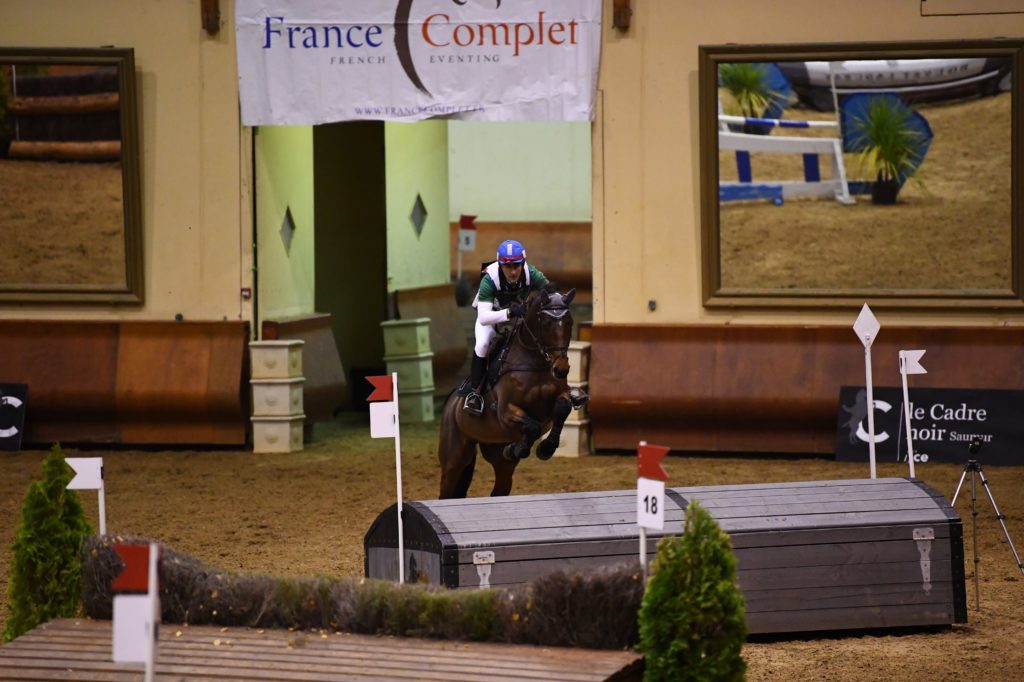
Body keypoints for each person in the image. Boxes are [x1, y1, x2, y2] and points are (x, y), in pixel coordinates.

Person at [459, 239, 549, 414]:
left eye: (516, 265)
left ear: (523, 263)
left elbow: (550, 292)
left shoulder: (532, 274)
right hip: (492, 318)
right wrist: (509, 312)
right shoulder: (489, 279)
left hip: (517, 319)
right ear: (500, 265)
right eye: (508, 267)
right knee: (483, 344)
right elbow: (484, 317)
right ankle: (475, 393)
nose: (513, 271)